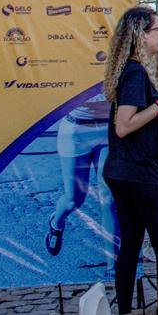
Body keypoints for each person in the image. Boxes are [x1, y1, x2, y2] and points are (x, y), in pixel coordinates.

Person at [102, 7, 158, 315]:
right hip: (138, 174)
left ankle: (124, 312)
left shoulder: (132, 71)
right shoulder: (135, 72)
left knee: (130, 246)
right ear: (141, 34)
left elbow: (134, 129)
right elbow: (124, 125)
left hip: (124, 170)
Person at [45, 87, 115, 263]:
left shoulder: (117, 60)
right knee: (74, 198)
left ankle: (113, 264)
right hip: (76, 129)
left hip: (109, 130)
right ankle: (56, 223)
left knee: (109, 199)